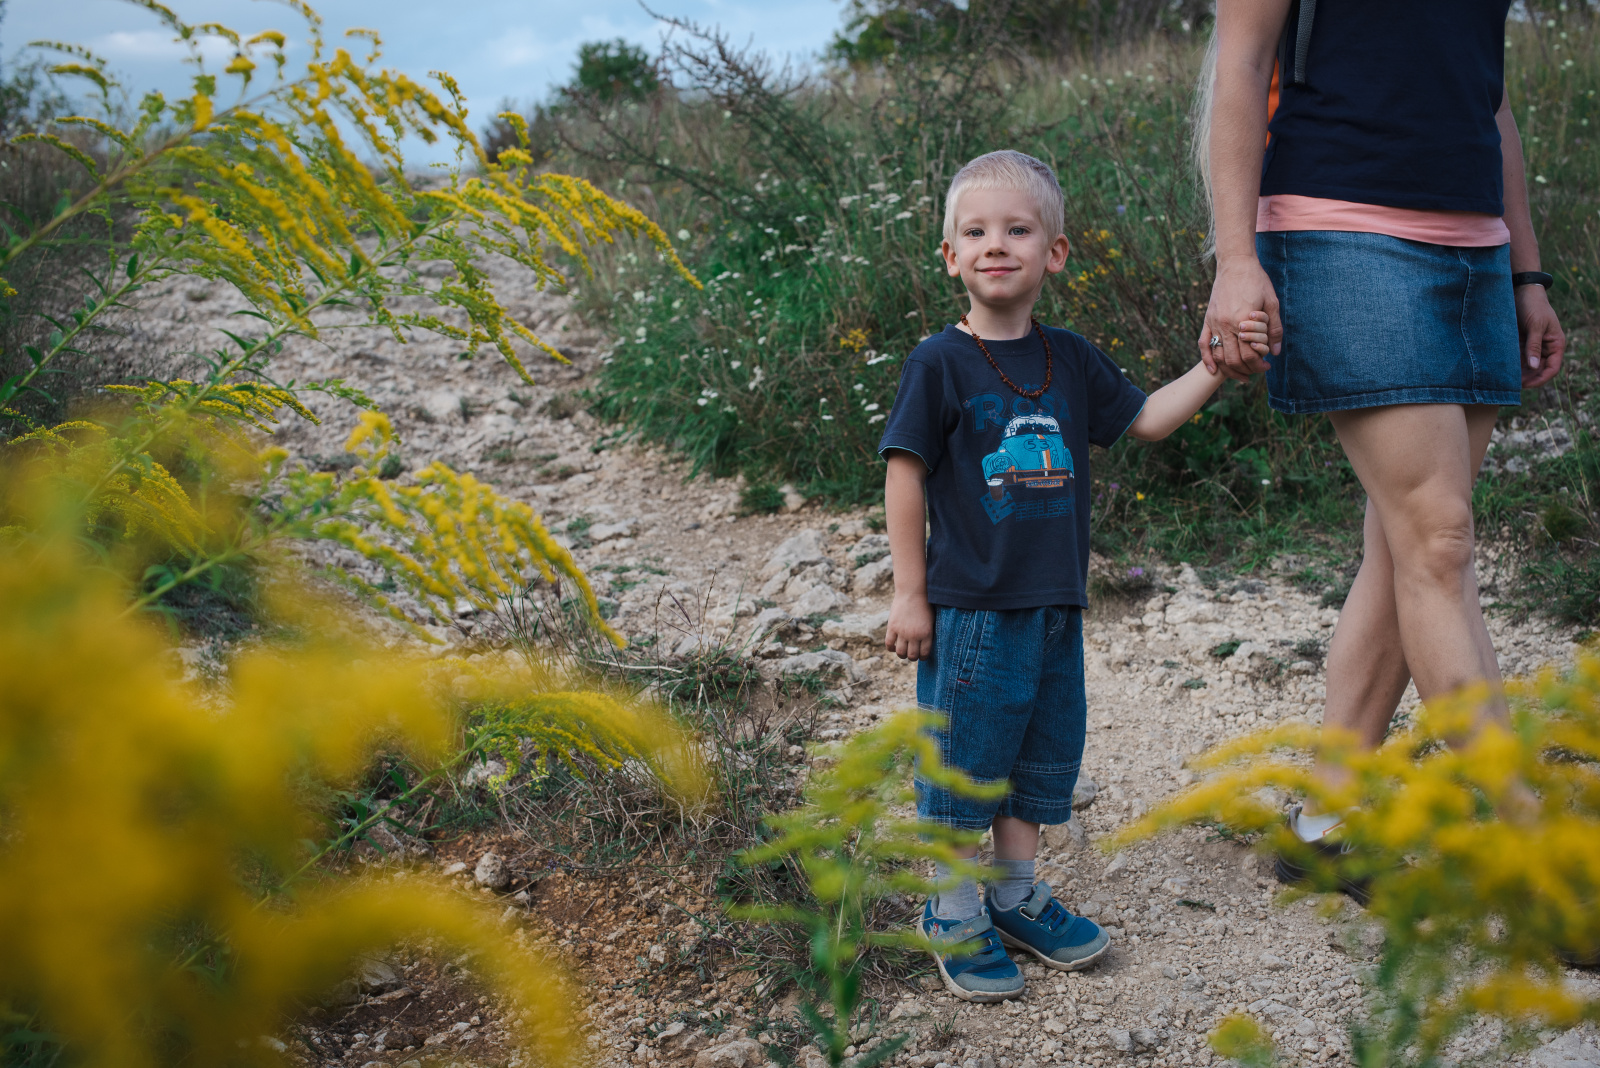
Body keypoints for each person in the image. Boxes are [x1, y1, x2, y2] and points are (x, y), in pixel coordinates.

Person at [877, 150, 1264, 1002]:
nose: (996, 244)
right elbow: (904, 472)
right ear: (950, 256)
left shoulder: (1071, 357)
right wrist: (909, 592)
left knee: (1039, 756)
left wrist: (1213, 368)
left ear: (1053, 252)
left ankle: (1013, 896)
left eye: (1018, 230)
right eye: (976, 232)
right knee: (967, 761)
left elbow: (1147, 420)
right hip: (972, 607)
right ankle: (951, 908)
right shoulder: (938, 363)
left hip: (1055, 603)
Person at [1196, 0, 1566, 890]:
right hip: (1342, 233)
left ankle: (1323, 822)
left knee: (1407, 547)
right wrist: (1236, 261)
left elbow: (1491, 98)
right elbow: (1239, 65)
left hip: (1476, 252)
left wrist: (1526, 271)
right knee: (1439, 541)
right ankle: (1532, 855)